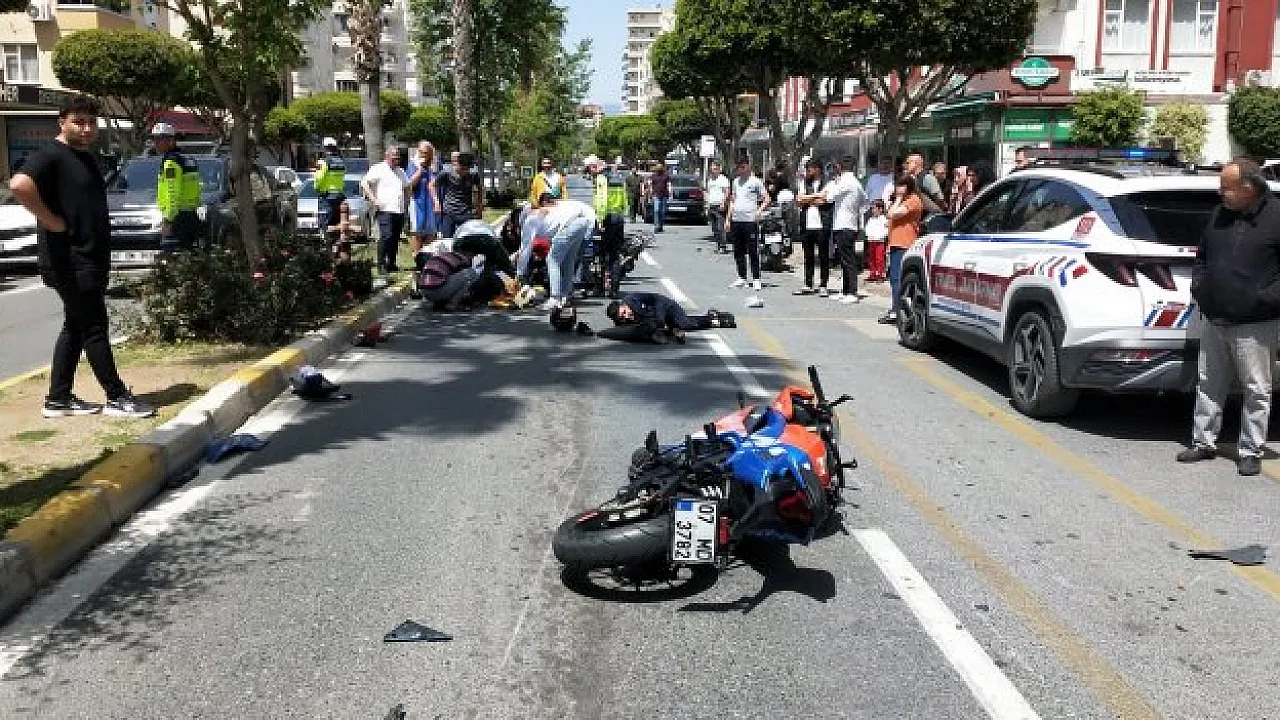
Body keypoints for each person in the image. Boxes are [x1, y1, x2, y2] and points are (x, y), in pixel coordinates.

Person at [9, 95, 155, 419]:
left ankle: (58, 399)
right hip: (71, 260)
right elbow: (19, 185)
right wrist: (51, 221)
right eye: (79, 122)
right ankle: (116, 397)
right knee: (94, 326)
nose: (87, 128)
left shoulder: (85, 157)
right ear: (62, 122)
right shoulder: (50, 155)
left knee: (75, 327)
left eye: (91, 122)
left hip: (90, 256)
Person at [1178, 160, 1280, 476]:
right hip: (1216, 317)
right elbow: (1203, 256)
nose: (1220, 192)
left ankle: (1250, 451)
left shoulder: (1276, 217)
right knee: (1209, 382)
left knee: (1256, 388)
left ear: (1249, 189)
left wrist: (1266, 298)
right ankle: (1203, 442)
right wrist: (1200, 287)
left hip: (1257, 322)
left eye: (1227, 187)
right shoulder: (1219, 214)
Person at [416, 220, 517, 311]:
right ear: (469, 252)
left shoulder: (446, 254)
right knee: (471, 274)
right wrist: (513, 277)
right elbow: (504, 264)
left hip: (426, 292)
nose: (474, 257)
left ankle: (441, 301)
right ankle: (452, 304)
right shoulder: (465, 256)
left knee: (463, 275)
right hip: (481, 238)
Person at [518, 196, 596, 310]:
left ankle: (555, 298)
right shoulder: (544, 212)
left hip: (570, 225)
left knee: (552, 260)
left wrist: (519, 274)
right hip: (582, 222)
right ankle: (565, 295)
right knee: (568, 261)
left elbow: (526, 249)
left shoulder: (529, 221)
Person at [151, 122, 202, 251]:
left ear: (171, 140)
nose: (156, 143)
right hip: (191, 215)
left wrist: (168, 220)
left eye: (160, 139)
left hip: (177, 219)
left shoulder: (171, 163)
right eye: (154, 139)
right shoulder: (187, 159)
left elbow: (172, 191)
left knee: (172, 256)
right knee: (190, 255)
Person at [879, 175, 924, 325]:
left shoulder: (913, 200)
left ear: (909, 186)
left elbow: (893, 214)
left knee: (898, 279)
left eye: (902, 185)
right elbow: (888, 215)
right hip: (895, 243)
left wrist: (898, 199)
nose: (899, 188)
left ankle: (899, 311)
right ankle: (895, 308)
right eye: (898, 185)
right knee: (894, 279)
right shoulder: (902, 201)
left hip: (904, 244)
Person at [605, 292, 731, 344]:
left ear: (624, 305)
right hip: (657, 317)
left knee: (686, 324)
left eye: (625, 312)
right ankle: (675, 329)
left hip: (664, 305)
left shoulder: (633, 301)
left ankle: (714, 319)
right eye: (622, 317)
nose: (626, 316)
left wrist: (665, 326)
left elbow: (653, 316)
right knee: (674, 326)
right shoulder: (622, 320)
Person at [360, 145, 410, 274]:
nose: (396, 159)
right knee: (386, 236)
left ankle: (391, 264)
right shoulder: (378, 168)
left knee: (395, 238)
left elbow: (407, 186)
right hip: (384, 209)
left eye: (397, 157)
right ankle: (381, 265)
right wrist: (374, 200)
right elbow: (364, 183)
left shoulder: (400, 171)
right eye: (393, 157)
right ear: (387, 156)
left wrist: (407, 203)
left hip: (398, 210)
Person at [826, 156, 868, 304]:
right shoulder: (856, 182)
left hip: (844, 225)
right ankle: (845, 291)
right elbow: (865, 202)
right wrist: (855, 211)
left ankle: (852, 292)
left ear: (840, 167)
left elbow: (829, 197)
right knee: (844, 259)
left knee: (848, 260)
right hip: (848, 224)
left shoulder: (845, 181)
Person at [725, 157, 770, 291]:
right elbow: (732, 201)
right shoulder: (735, 182)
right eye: (739, 167)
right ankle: (742, 277)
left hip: (750, 220)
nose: (741, 170)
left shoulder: (756, 182)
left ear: (748, 167)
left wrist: (759, 211)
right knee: (738, 251)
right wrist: (728, 219)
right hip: (736, 220)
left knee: (752, 250)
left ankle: (756, 278)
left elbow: (767, 199)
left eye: (743, 167)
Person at [588, 154, 629, 297]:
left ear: (597, 167)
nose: (590, 171)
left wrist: (600, 220)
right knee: (615, 255)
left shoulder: (601, 178)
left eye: (591, 167)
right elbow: (624, 198)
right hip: (619, 217)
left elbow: (602, 200)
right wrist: (622, 213)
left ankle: (599, 288)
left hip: (607, 218)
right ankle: (614, 290)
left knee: (599, 254)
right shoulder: (618, 177)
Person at [794, 159, 833, 296]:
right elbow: (799, 200)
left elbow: (824, 200)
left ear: (817, 169)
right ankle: (808, 284)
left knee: (823, 256)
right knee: (808, 255)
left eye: (809, 168)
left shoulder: (828, 182)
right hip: (807, 224)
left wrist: (808, 198)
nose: (807, 171)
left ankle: (823, 285)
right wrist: (816, 195)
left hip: (822, 224)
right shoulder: (804, 183)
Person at [435, 152, 482, 238]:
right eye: (462, 169)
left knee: (466, 239)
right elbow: (432, 185)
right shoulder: (447, 172)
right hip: (449, 212)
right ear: (457, 164)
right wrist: (436, 201)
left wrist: (479, 207)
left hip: (466, 213)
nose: (464, 172)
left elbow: (480, 188)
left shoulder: (473, 174)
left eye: (467, 169)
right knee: (447, 240)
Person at [406, 140, 439, 257]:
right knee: (417, 231)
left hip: (431, 202)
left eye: (425, 153)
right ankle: (417, 256)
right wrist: (420, 169)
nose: (422, 155)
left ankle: (428, 258)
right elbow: (410, 183)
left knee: (432, 231)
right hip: (417, 202)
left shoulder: (434, 165)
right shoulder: (413, 164)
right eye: (420, 152)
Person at [313, 137, 347, 236]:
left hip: (327, 195)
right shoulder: (341, 162)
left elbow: (319, 177)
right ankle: (335, 240)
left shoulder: (323, 162)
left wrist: (317, 187)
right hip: (339, 194)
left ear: (324, 148)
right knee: (336, 220)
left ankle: (325, 240)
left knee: (324, 220)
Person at [704, 161, 731, 253]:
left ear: (720, 169)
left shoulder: (723, 179)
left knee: (720, 227)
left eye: (715, 168)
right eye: (712, 169)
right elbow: (707, 192)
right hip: (711, 205)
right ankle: (719, 245)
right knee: (714, 228)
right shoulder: (710, 179)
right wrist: (707, 204)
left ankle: (723, 246)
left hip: (720, 205)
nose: (713, 170)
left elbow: (727, 192)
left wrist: (723, 203)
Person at [864, 199, 889, 282]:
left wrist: (879, 236)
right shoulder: (871, 219)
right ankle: (873, 273)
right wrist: (869, 235)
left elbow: (886, 230)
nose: (873, 210)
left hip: (880, 242)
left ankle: (880, 274)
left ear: (880, 209)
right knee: (871, 258)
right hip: (871, 241)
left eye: (874, 208)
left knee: (879, 258)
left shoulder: (884, 219)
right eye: (872, 208)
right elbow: (867, 228)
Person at [649, 164, 671, 232]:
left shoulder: (666, 176)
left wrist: (670, 192)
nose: (659, 169)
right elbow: (650, 185)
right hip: (656, 195)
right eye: (658, 168)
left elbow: (669, 185)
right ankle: (656, 226)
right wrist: (651, 193)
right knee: (656, 210)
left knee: (663, 211)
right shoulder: (653, 176)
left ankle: (661, 226)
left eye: (660, 168)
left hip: (664, 195)